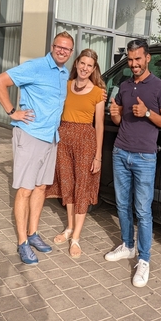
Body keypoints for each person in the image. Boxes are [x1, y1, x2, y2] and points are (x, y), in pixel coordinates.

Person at [0, 32, 74, 265]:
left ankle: (33, 233)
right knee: (25, 190)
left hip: (51, 138)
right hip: (31, 135)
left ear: (71, 52)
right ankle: (22, 243)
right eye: (59, 47)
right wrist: (12, 112)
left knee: (41, 187)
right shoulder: (35, 67)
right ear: (52, 46)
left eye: (67, 49)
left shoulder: (64, 72)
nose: (62, 52)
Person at [104, 39, 161, 287]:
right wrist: (114, 114)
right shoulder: (123, 86)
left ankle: (144, 260)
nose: (133, 64)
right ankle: (128, 246)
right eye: (130, 60)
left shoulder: (160, 88)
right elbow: (117, 114)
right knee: (122, 204)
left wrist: (146, 113)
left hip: (145, 156)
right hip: (121, 151)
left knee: (142, 211)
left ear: (147, 58)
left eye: (137, 59)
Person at [45, 49, 106, 259]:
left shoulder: (98, 92)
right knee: (68, 186)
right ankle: (69, 227)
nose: (85, 68)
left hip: (86, 142)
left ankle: (76, 237)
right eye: (82, 63)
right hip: (64, 139)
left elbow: (99, 125)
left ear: (94, 68)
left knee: (82, 187)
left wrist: (98, 156)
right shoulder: (66, 85)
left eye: (90, 65)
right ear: (77, 63)